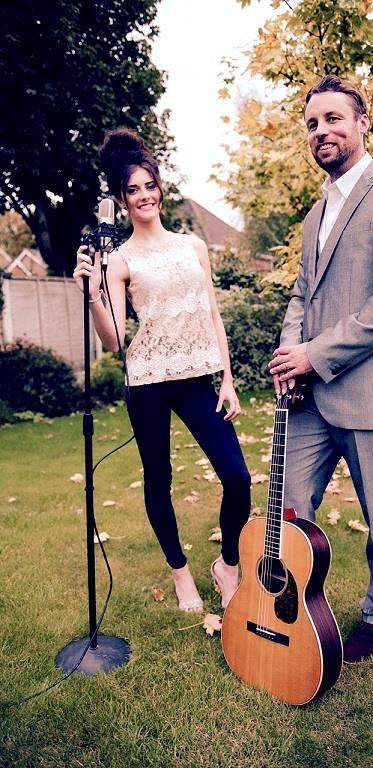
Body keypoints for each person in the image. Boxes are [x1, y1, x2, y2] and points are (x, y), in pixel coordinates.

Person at [268, 76, 373, 663]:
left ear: (363, 122)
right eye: (312, 123)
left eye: (334, 118)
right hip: (310, 395)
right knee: (287, 507)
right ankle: (287, 602)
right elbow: (303, 295)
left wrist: (315, 353)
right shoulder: (315, 213)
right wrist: (290, 354)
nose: (322, 131)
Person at [74, 128, 251, 614]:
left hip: (197, 380)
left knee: (238, 478)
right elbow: (114, 339)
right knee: (159, 478)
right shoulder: (119, 260)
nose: (144, 195)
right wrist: (91, 293)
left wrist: (228, 380)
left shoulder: (194, 246)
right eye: (133, 190)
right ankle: (180, 574)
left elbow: (212, 313)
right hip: (147, 381)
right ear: (122, 200)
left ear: (160, 188)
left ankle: (228, 566)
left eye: (149, 185)